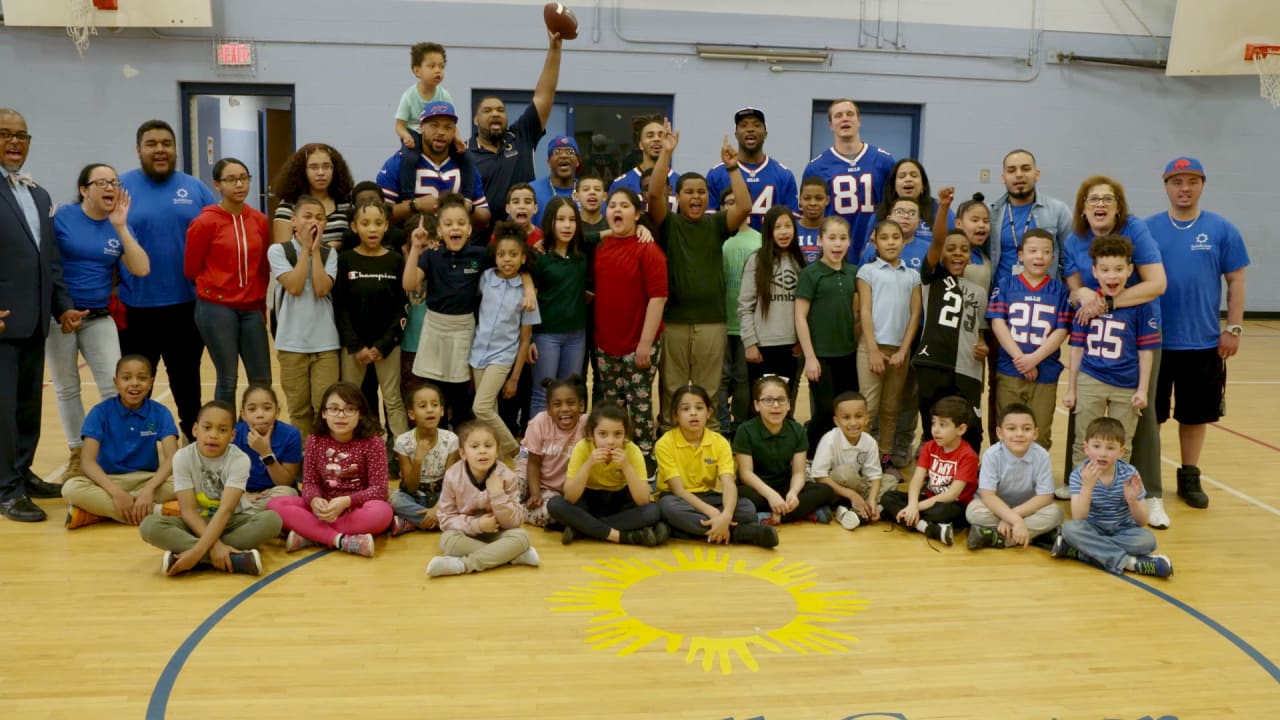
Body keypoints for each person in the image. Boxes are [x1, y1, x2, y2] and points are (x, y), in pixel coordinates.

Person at [1062, 175, 1168, 528]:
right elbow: (1074, 287)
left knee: (1138, 422)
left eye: (1108, 199)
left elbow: (1157, 284)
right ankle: (1082, 491)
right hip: (1093, 356)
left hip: (1129, 336)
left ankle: (1145, 494)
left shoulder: (1134, 230)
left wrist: (1105, 302)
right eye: (1093, 199)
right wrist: (1082, 297)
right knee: (1084, 427)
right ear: (1083, 207)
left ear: (1119, 206)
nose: (1100, 204)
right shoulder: (1074, 238)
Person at [1147, 157, 1249, 510]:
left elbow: (1235, 280)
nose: (1184, 189)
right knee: (1152, 416)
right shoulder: (1148, 229)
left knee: (1195, 415)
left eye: (1191, 181)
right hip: (1154, 342)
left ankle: (1189, 476)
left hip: (1203, 341)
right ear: (1166, 186)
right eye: (1177, 182)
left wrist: (1232, 328)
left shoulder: (1222, 229)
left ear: (1202, 184)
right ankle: (1148, 478)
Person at [47, 163, 149, 480]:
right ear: (84, 190)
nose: (109, 187)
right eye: (101, 182)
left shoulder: (118, 225)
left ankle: (115, 451)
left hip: (98, 316)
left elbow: (141, 268)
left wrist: (120, 227)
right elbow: (47, 264)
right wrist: (61, 308)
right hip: (59, 317)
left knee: (113, 386)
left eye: (114, 182)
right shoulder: (62, 217)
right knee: (66, 388)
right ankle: (78, 453)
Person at [649, 120, 750, 431]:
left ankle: (711, 444)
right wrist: (666, 154)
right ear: (677, 197)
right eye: (689, 192)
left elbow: (744, 206)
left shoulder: (716, 224)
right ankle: (668, 440)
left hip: (712, 321)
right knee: (672, 388)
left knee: (709, 390)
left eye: (701, 192)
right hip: (675, 321)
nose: (695, 197)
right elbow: (653, 195)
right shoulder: (668, 225)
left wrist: (733, 169)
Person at [118, 119, 214, 443]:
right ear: (138, 149)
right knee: (136, 386)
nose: (160, 149)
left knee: (187, 384)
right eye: (152, 143)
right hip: (136, 308)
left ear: (175, 149)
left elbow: (218, 237)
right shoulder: (120, 188)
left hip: (187, 307)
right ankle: (138, 448)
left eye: (166, 143)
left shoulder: (196, 189)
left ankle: (194, 446)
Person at [401, 195, 533, 427]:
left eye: (461, 223)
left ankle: (463, 454)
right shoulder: (431, 256)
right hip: (434, 330)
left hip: (464, 330)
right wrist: (416, 249)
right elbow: (409, 285)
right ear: (439, 231)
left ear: (469, 229)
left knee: (461, 400)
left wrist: (529, 287)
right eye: (449, 224)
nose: (455, 228)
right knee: (435, 397)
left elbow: (511, 265)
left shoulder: (481, 255)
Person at [139, 400, 283, 577]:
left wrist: (196, 551)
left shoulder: (240, 459)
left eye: (222, 430)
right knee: (149, 525)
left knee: (272, 520)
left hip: (231, 521)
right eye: (207, 428)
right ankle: (232, 559)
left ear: (232, 435)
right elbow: (188, 510)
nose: (213, 435)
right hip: (196, 523)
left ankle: (191, 558)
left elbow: (226, 509)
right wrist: (216, 546)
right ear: (195, 430)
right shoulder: (182, 457)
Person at [1063, 235, 1160, 473]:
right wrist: (1071, 387)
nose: (1112, 276)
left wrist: (1143, 389)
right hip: (1090, 379)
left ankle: (1114, 496)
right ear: (1094, 272)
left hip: (1126, 384)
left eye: (1118, 269)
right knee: (1084, 440)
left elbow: (1146, 351)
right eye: (1105, 270)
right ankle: (1081, 493)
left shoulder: (1141, 306)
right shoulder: (1087, 305)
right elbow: (1076, 348)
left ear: (1130, 270)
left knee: (1122, 443)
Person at [267, 382, 394, 557]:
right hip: (324, 508)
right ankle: (341, 541)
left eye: (349, 409)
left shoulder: (373, 442)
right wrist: (314, 500)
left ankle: (311, 534)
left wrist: (347, 501)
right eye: (334, 409)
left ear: (361, 413)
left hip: (356, 508)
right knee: (275, 505)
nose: (341, 415)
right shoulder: (315, 440)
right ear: (324, 413)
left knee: (383, 512)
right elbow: (310, 483)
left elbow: (379, 490)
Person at [185, 157, 272, 403]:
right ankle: (225, 438)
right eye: (231, 179)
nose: (239, 184)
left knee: (262, 379)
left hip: (251, 307)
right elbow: (192, 268)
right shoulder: (204, 223)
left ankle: (259, 437)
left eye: (244, 178)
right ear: (217, 185)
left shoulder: (259, 221)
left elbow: (263, 268)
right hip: (216, 307)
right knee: (228, 379)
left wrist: (261, 304)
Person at [61, 355, 178, 528]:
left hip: (146, 479)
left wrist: (148, 491)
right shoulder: (100, 412)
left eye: (142, 378)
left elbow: (172, 458)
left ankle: (96, 513)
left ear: (151, 382)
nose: (135, 383)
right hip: (108, 481)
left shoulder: (160, 412)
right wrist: (116, 493)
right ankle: (155, 512)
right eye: (126, 378)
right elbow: (87, 462)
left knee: (185, 480)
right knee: (71, 488)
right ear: (116, 382)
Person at [593, 187, 668, 458]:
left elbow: (658, 298)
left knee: (640, 403)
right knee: (612, 406)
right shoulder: (600, 247)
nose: (616, 210)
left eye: (624, 206)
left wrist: (645, 344)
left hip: (639, 344)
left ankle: (645, 456)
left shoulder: (648, 250)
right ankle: (614, 455)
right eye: (612, 205)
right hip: (605, 344)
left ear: (637, 214)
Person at [655, 384, 778, 548]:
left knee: (747, 507)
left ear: (709, 413)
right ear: (675, 416)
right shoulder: (664, 443)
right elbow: (679, 490)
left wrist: (726, 516)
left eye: (699, 408)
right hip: (678, 498)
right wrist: (714, 514)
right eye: (686, 409)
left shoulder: (719, 442)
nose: (693, 413)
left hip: (708, 496)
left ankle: (684, 531)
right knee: (667, 508)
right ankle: (740, 533)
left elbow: (728, 483)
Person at [1051, 417, 1173, 578]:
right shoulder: (1079, 475)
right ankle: (1130, 563)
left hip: (1122, 530)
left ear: (1121, 452)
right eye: (1096, 446)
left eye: (1110, 448)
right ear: (1086, 448)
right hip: (1092, 529)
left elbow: (1142, 522)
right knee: (1070, 529)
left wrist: (1132, 501)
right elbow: (1079, 517)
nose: (1102, 453)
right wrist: (1087, 487)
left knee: (1148, 540)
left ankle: (1082, 551)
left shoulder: (1130, 474)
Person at [985, 228, 1071, 456]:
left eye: (1045, 252)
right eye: (1033, 251)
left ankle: (1036, 480)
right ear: (1021, 255)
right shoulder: (1005, 284)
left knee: (1040, 431)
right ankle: (1006, 477)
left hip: (1046, 372)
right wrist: (1020, 358)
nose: (1039, 257)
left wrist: (1034, 359)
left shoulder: (1060, 290)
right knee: (1009, 428)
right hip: (1010, 369)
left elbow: (1062, 330)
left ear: (1053, 258)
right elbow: (998, 324)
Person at [468, 30, 564, 223]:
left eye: (500, 110)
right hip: (483, 244)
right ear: (475, 120)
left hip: (524, 237)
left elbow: (543, 95)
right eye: (487, 111)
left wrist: (555, 50)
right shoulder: (465, 154)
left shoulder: (521, 136)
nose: (495, 113)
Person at [334, 200, 409, 438]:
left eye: (378, 223)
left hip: (386, 345)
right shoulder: (345, 260)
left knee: (393, 399)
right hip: (354, 347)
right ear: (354, 227)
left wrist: (383, 345)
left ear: (386, 225)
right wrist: (355, 346)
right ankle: (351, 446)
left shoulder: (396, 260)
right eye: (365, 223)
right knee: (349, 399)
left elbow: (401, 307)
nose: (372, 229)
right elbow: (341, 307)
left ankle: (401, 452)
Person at [426, 422, 540, 577]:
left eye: (488, 446)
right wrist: (477, 525)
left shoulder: (507, 476)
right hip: (466, 534)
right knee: (447, 540)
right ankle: (511, 556)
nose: (482, 451)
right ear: (463, 453)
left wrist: (498, 495)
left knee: (522, 537)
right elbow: (446, 519)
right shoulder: (453, 475)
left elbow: (515, 522)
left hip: (498, 533)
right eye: (474, 447)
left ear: (497, 450)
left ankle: (462, 565)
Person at [268, 193, 339, 437]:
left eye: (320, 218)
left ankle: (324, 459)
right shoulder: (278, 251)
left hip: (326, 345)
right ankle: (303, 460)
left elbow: (321, 289)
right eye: (307, 216)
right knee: (298, 410)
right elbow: (295, 286)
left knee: (326, 408)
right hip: (291, 344)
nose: (313, 222)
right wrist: (306, 250)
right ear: (293, 222)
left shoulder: (330, 254)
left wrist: (316, 251)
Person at [914, 227, 988, 453]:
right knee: (934, 426)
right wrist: (944, 206)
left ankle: (969, 476)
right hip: (934, 364)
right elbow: (936, 242)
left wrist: (983, 345)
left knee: (972, 427)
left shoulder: (979, 291)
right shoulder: (932, 280)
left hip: (968, 369)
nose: (957, 254)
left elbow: (980, 331)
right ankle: (933, 474)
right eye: (951, 249)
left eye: (964, 250)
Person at [856, 219, 922, 473]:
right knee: (868, 407)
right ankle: (861, 459)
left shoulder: (912, 276)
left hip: (899, 351)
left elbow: (915, 315)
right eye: (885, 237)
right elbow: (864, 310)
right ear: (875, 240)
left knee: (891, 407)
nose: (891, 242)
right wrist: (873, 349)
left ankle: (884, 459)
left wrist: (903, 351)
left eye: (896, 237)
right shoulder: (868, 271)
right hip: (871, 347)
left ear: (904, 241)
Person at [549, 405, 667, 546]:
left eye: (617, 434)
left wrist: (626, 466)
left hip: (620, 501)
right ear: (592, 435)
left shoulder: (632, 451)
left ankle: (581, 529)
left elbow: (643, 500)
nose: (610, 441)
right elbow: (570, 496)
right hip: (589, 500)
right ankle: (624, 536)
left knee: (652, 512)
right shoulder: (582, 447)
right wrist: (588, 464)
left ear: (625, 435)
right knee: (555, 504)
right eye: (603, 434)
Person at [470, 223, 540, 460]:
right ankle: (495, 463)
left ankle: (514, 449)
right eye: (501, 255)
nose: (506, 259)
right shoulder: (486, 278)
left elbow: (525, 339)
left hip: (503, 357)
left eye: (513, 255)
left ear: (522, 258)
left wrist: (514, 377)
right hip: (477, 353)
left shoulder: (527, 294)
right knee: (487, 411)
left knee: (480, 407)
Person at [801, 99, 895, 262]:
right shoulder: (816, 167)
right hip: (834, 251)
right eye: (838, 115)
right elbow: (809, 215)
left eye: (850, 114)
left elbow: (894, 207)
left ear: (859, 121)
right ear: (831, 125)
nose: (845, 118)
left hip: (875, 249)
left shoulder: (884, 161)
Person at [795, 216, 859, 454]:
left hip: (849, 354)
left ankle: (840, 456)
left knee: (847, 410)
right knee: (824, 411)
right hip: (821, 356)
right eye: (831, 238)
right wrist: (810, 357)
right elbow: (800, 317)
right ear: (820, 240)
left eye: (842, 238)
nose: (837, 244)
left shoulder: (854, 273)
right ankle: (809, 456)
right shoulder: (811, 274)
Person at [879, 396, 979, 546]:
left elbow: (952, 495)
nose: (936, 430)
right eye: (934, 423)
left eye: (943, 425)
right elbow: (916, 480)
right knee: (888, 497)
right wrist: (912, 505)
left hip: (953, 505)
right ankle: (926, 527)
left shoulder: (968, 456)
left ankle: (901, 517)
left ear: (961, 429)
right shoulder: (929, 446)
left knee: (942, 512)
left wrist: (916, 508)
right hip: (929, 499)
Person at [734, 376, 834, 524]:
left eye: (781, 400)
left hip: (784, 486)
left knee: (825, 490)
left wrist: (793, 493)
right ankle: (802, 513)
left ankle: (771, 516)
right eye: (768, 400)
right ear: (756, 405)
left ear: (788, 405)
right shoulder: (745, 430)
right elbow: (746, 474)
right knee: (738, 496)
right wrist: (770, 495)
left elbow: (799, 472)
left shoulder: (797, 430)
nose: (775, 406)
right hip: (757, 490)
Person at [965, 403, 1063, 550]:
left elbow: (1045, 497)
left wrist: (1013, 517)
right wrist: (1015, 520)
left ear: (1035, 433)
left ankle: (997, 538)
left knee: (1056, 513)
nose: (1019, 434)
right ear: (999, 433)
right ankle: (1036, 535)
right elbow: (988, 496)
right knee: (973, 512)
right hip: (995, 507)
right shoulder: (992, 455)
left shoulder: (1042, 455)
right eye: (1011, 428)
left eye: (1026, 429)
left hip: (1026, 508)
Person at [378, 102, 488, 225]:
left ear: (454, 132)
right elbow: (379, 215)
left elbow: (485, 217)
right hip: (412, 241)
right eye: (434, 126)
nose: (441, 132)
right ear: (421, 127)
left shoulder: (466, 166)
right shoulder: (398, 163)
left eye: (448, 127)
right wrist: (414, 206)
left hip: (454, 242)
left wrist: (468, 208)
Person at [738, 204, 805, 405]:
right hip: (762, 347)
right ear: (769, 231)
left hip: (791, 347)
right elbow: (745, 305)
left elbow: (804, 308)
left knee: (784, 404)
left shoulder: (798, 262)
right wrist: (750, 342)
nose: (784, 232)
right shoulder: (756, 260)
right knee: (762, 403)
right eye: (777, 227)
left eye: (788, 226)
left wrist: (801, 340)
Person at [529, 197, 589, 417]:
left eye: (572, 219)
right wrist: (528, 340)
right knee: (542, 393)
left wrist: (640, 227)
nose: (567, 225)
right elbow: (529, 301)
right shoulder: (539, 256)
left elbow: (604, 233)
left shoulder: (581, 252)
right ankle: (534, 447)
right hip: (546, 336)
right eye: (560, 219)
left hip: (576, 335)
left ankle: (567, 447)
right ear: (550, 222)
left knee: (570, 392)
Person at [986, 149, 1074, 283]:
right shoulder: (990, 212)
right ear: (1003, 178)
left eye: (1026, 169)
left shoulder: (1059, 210)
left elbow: (1069, 259)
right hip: (1000, 298)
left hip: (1046, 296)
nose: (1019, 175)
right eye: (1011, 170)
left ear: (1036, 174)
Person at [705, 107, 798, 230]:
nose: (750, 129)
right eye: (743, 125)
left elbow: (791, 224)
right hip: (729, 247)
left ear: (765, 133)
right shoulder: (716, 174)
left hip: (769, 248)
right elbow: (710, 224)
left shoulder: (784, 175)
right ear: (736, 134)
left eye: (757, 125)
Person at [717, 188, 762, 433]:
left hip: (748, 325)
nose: (733, 207)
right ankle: (723, 429)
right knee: (721, 379)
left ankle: (741, 427)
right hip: (719, 323)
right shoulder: (717, 238)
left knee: (744, 380)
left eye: (738, 203)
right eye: (728, 203)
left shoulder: (760, 240)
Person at [811, 392, 887, 531]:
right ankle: (855, 505)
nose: (853, 423)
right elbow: (818, 476)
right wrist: (851, 494)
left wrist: (872, 499)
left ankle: (856, 510)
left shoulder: (869, 442)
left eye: (858, 416)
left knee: (889, 481)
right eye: (846, 418)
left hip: (855, 485)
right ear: (836, 421)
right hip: (833, 488)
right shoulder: (830, 440)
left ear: (867, 418)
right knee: (845, 473)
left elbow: (875, 475)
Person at [390, 383, 459, 535]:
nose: (429, 409)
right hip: (414, 496)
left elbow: (451, 482)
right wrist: (418, 460)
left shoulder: (451, 439)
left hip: (442, 495)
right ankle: (440, 521)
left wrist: (437, 508)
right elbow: (411, 487)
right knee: (395, 500)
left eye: (434, 405)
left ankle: (412, 522)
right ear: (411, 414)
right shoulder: (403, 442)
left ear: (441, 411)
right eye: (422, 406)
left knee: (464, 497)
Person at [520, 377, 587, 527]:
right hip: (530, 471)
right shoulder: (539, 423)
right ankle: (510, 508)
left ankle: (519, 510)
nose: (564, 408)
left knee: (550, 512)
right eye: (557, 404)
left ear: (581, 406)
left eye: (571, 403)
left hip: (558, 490)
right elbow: (533, 464)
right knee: (515, 489)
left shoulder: (588, 426)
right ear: (549, 410)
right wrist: (535, 492)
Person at [394, 42, 455, 199]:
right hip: (414, 133)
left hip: (437, 134)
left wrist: (458, 139)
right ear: (417, 70)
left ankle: (467, 196)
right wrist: (406, 136)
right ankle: (408, 196)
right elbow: (399, 125)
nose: (438, 70)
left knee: (466, 157)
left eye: (441, 67)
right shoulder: (409, 96)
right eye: (432, 66)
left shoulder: (445, 95)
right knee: (410, 158)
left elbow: (451, 124)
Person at [232, 384, 302, 513]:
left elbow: (284, 482)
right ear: (243, 414)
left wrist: (265, 452)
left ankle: (241, 516)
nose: (260, 414)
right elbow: (224, 476)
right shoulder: (234, 435)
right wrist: (245, 495)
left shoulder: (291, 434)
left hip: (275, 492)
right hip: (242, 494)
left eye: (267, 408)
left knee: (288, 495)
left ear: (277, 411)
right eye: (252, 409)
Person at [270, 143, 355, 248]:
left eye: (326, 166)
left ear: (335, 170)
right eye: (313, 167)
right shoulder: (289, 204)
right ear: (302, 171)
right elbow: (282, 251)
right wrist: (326, 249)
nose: (321, 173)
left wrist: (340, 246)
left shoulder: (346, 202)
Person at [871, 158, 949, 246]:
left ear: (923, 185)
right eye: (902, 176)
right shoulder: (880, 213)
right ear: (894, 186)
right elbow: (866, 251)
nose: (908, 179)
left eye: (914, 175)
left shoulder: (941, 209)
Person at [610, 116, 676, 208]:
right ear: (640, 144)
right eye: (650, 135)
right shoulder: (621, 184)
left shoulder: (679, 182)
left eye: (661, 135)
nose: (656, 139)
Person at [530, 135, 579, 227]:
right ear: (548, 162)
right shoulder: (532, 191)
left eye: (570, 152)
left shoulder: (588, 191)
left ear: (577, 162)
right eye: (557, 152)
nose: (564, 156)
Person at [795, 176, 828, 265]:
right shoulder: (791, 230)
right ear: (800, 200)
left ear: (827, 200)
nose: (813, 203)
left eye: (819, 198)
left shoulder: (834, 230)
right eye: (807, 198)